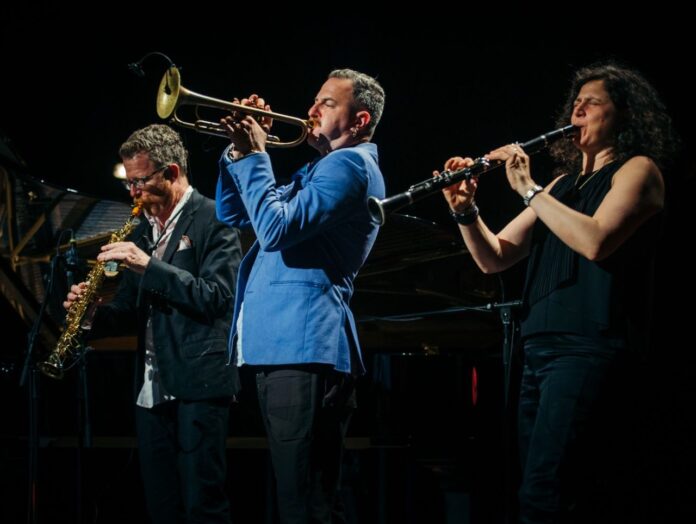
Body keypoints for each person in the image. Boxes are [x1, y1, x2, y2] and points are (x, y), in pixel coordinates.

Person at [436, 63, 676, 522]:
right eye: (575, 103)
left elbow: (596, 240)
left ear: (624, 114)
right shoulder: (561, 186)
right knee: (536, 487)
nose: (577, 111)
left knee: (546, 492)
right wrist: (465, 211)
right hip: (538, 348)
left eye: (592, 103)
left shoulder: (638, 171)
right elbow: (495, 256)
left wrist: (527, 188)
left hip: (589, 347)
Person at [215, 69, 385, 523]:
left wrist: (256, 154)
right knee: (303, 499)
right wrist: (239, 151)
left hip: (303, 346)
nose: (311, 111)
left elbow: (274, 230)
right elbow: (234, 213)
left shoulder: (349, 166)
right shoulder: (319, 169)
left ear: (359, 120)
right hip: (284, 347)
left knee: (304, 504)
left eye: (327, 103)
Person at [64, 124, 242, 524]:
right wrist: (92, 314)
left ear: (172, 173)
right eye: (129, 183)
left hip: (198, 384)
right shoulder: (144, 230)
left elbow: (218, 297)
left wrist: (148, 264)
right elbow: (130, 308)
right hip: (150, 389)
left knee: (203, 506)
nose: (133, 193)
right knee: (161, 508)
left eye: (140, 182)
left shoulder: (215, 217)